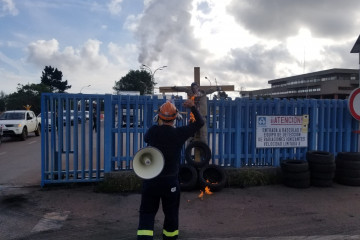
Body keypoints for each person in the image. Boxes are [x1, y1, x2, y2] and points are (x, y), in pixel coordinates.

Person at [137, 99, 204, 240]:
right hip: (170, 182)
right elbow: (200, 123)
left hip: (151, 180)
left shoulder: (153, 131)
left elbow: (146, 138)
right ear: (175, 118)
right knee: (171, 214)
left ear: (159, 117)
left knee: (147, 213)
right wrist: (193, 107)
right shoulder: (180, 133)